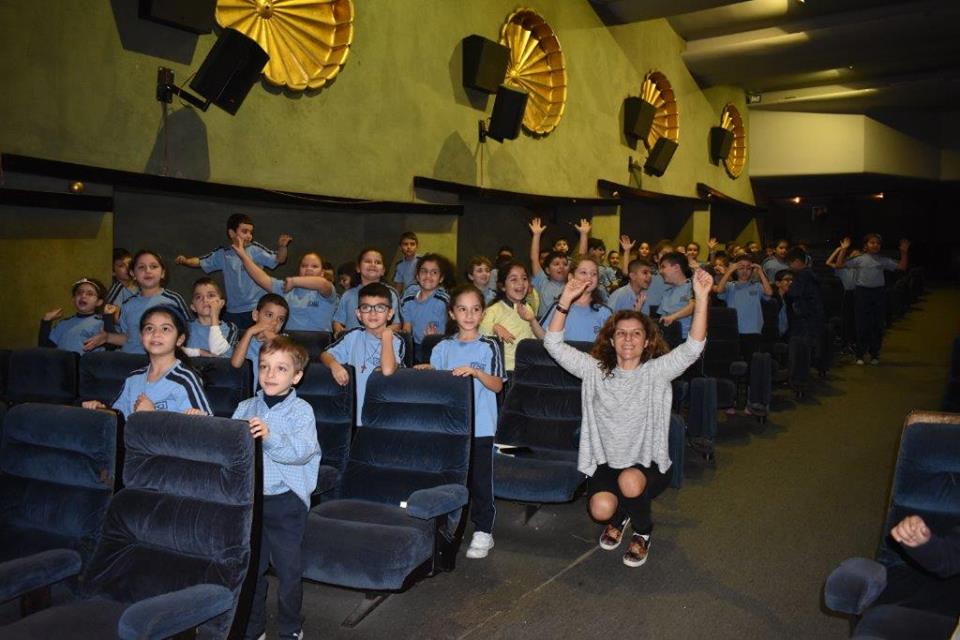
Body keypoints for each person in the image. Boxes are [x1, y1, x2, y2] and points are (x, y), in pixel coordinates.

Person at [543, 268, 711, 567]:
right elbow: (552, 344)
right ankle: (620, 516)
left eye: (636, 333)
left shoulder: (657, 372)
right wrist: (565, 300)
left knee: (630, 482)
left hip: (647, 466)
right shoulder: (594, 370)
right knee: (600, 509)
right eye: (621, 333)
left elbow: (693, 347)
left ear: (647, 342)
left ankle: (643, 532)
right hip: (608, 463)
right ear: (611, 340)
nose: (628, 339)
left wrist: (702, 298)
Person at [233, 336, 320, 640]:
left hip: (286, 503)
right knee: (251, 571)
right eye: (264, 367)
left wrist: (269, 437)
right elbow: (232, 450)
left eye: (281, 368)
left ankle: (290, 628)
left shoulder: (302, 412)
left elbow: (302, 452)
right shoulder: (246, 407)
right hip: (252, 502)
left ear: (296, 376)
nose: (270, 374)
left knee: (288, 571)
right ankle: (254, 628)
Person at [421, 284, 505, 559]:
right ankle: (444, 527)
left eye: (475, 309)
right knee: (448, 478)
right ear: (452, 313)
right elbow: (438, 384)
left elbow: (497, 385)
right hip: (449, 427)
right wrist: (428, 372)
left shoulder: (489, 346)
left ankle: (483, 530)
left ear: (483, 313)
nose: (469, 315)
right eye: (462, 309)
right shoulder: (442, 347)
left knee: (480, 481)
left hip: (480, 427)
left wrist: (476, 373)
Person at [82, 306, 211, 418]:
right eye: (149, 328)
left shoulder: (185, 379)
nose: (156, 334)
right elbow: (118, 419)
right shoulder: (133, 378)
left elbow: (204, 429)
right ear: (141, 336)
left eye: (165, 329)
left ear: (180, 339)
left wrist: (152, 416)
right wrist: (101, 410)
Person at [175, 213, 291, 331]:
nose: (249, 236)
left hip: (255, 308)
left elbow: (279, 259)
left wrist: (282, 247)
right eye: (244, 231)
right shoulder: (223, 253)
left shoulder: (255, 249)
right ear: (232, 233)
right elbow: (200, 261)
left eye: (250, 232)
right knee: (231, 339)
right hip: (233, 311)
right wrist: (186, 261)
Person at [322, 283, 404, 425]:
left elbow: (387, 369)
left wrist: (386, 337)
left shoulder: (396, 341)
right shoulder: (353, 337)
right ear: (359, 314)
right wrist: (334, 365)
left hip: (383, 417)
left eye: (380, 307)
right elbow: (325, 355)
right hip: (354, 415)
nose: (373, 313)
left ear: (390, 313)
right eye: (366, 308)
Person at [87, 250, 191, 354]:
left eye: (154, 266)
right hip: (130, 359)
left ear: (163, 273)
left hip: (160, 360)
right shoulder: (127, 304)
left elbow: (187, 334)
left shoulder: (174, 300)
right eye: (141, 267)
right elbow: (130, 338)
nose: (148, 271)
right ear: (133, 274)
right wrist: (107, 337)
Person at [835, 234, 910, 365]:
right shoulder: (859, 259)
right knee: (861, 324)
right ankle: (860, 354)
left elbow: (902, 267)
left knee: (877, 324)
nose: (875, 245)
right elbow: (839, 265)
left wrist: (904, 252)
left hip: (878, 293)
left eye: (878, 243)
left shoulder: (883, 260)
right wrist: (844, 249)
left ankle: (874, 354)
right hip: (862, 293)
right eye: (872, 242)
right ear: (866, 245)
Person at [233, 239, 337, 332]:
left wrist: (294, 281)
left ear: (322, 272)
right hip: (289, 343)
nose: (309, 269)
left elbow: (322, 284)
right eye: (304, 266)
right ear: (299, 269)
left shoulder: (327, 290)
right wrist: (243, 255)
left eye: (314, 266)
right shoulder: (287, 287)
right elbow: (261, 278)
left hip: (319, 343)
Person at [479, 261, 544, 372]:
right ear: (503, 287)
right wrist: (494, 327)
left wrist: (532, 320)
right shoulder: (494, 310)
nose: (521, 283)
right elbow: (480, 333)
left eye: (524, 278)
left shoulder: (527, 308)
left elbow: (540, 339)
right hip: (505, 371)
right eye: (514, 279)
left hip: (528, 368)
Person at [714, 256, 773, 363]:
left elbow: (769, 293)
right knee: (734, 363)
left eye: (748, 268)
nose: (745, 271)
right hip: (734, 330)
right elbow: (719, 290)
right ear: (736, 270)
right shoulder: (730, 286)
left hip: (753, 330)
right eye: (741, 268)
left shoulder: (757, 286)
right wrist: (729, 270)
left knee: (751, 363)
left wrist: (760, 272)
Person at [542, 255, 613, 343]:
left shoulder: (605, 312)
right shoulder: (559, 308)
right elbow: (545, 338)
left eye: (594, 274)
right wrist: (532, 321)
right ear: (571, 277)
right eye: (583, 272)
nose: (589, 277)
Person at [529, 217, 589, 319]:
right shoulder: (542, 281)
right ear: (547, 270)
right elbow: (534, 258)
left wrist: (584, 235)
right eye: (556, 264)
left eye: (565, 264)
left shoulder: (572, 284)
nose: (561, 267)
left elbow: (581, 259)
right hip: (544, 326)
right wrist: (536, 235)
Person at [332, 247, 401, 334]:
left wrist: (375, 336)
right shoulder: (348, 294)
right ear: (358, 268)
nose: (373, 265)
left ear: (383, 271)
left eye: (378, 262)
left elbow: (396, 325)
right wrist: (339, 331)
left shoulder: (391, 294)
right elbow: (337, 321)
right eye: (368, 261)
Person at [231, 293, 290, 391]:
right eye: (269, 315)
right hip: (255, 396)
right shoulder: (247, 341)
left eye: (280, 319)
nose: (274, 322)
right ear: (255, 315)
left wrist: (270, 337)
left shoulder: (284, 340)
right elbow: (236, 363)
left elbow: (286, 357)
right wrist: (249, 332)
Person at [401, 254, 451, 362]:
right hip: (415, 347)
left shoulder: (444, 301)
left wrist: (433, 338)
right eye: (424, 271)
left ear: (441, 278)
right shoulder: (408, 299)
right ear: (417, 276)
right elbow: (406, 329)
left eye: (434, 272)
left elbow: (450, 330)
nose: (428, 276)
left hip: (440, 345)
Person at [39, 277, 108, 354]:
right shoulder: (63, 324)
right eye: (79, 293)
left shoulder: (101, 324)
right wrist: (46, 321)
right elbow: (45, 350)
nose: (83, 296)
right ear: (73, 299)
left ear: (99, 302)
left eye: (90, 294)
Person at [185, 278, 238, 357]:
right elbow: (173, 351)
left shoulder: (230, 328)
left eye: (211, 295)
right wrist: (198, 352)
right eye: (198, 297)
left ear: (221, 303)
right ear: (193, 307)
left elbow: (216, 351)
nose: (205, 300)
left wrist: (214, 316)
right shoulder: (186, 327)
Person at [656, 252, 695, 345]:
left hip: (687, 340)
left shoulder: (692, 286)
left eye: (663, 267)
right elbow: (662, 318)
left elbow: (694, 306)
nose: (660, 271)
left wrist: (673, 317)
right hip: (667, 338)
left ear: (676, 267)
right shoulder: (667, 292)